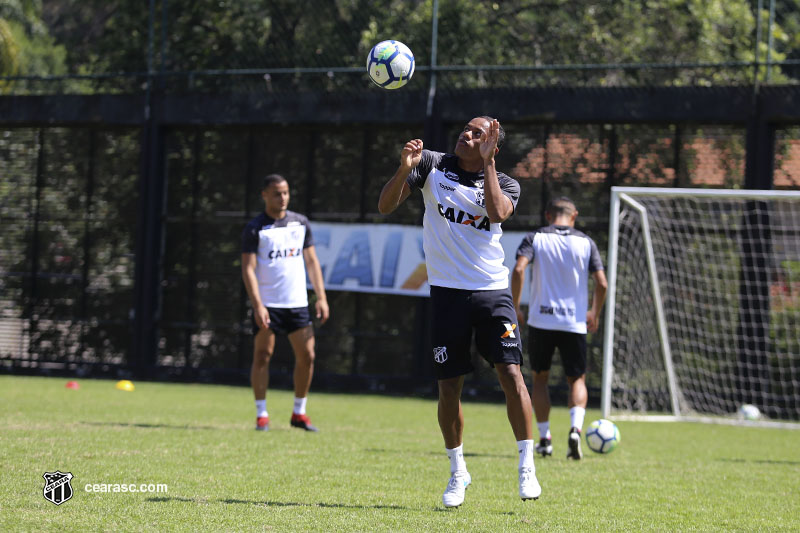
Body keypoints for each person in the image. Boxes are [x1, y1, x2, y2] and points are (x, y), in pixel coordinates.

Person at [378, 116, 541, 507]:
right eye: (465, 130)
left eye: (477, 134)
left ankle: (526, 465)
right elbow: (385, 206)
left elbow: (499, 213)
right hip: (447, 294)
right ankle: (457, 471)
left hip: (491, 292)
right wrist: (404, 169)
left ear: (492, 146)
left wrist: (486, 163)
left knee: (512, 373)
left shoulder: (505, 182)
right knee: (448, 386)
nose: (466, 135)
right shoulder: (432, 163)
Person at [511, 196, 607, 460]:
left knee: (540, 379)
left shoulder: (536, 238)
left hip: (541, 321)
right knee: (576, 379)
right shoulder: (586, 242)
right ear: (574, 215)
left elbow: (519, 269)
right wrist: (594, 313)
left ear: (547, 215)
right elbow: (602, 283)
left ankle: (545, 438)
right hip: (573, 322)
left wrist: (516, 306)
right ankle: (575, 429)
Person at [241, 174, 330, 432]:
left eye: (286, 193)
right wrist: (258, 304)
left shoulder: (300, 223)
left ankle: (299, 413)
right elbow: (248, 269)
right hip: (268, 304)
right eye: (277, 193)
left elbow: (312, 262)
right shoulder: (255, 228)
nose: (282, 198)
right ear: (264, 195)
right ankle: (262, 415)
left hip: (297, 303)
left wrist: (321, 297)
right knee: (262, 355)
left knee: (308, 356)